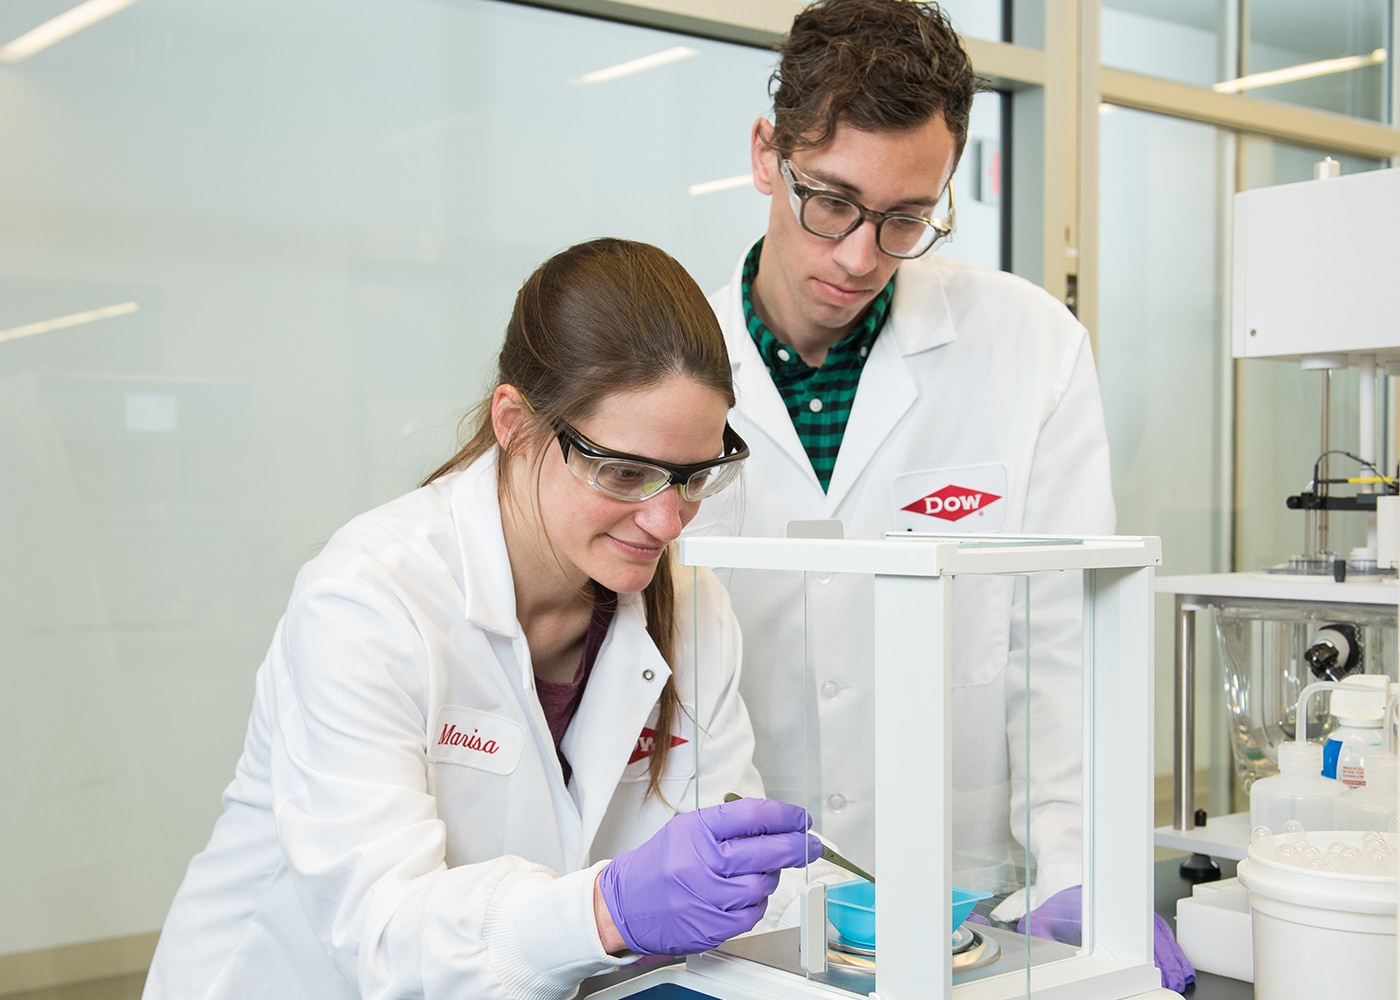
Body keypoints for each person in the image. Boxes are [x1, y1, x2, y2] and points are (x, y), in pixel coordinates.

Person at [141, 238, 822, 1000]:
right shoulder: (368, 601)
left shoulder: (695, 613)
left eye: (694, 477)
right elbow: (385, 933)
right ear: (515, 424)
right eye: (625, 473)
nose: (666, 521)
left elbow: (731, 882)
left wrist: (773, 888)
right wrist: (607, 911)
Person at [692, 0, 1192, 990]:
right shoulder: (668, 370)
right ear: (765, 154)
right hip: (739, 910)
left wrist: (1080, 871)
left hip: (973, 911)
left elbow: (1064, 641)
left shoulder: (1028, 348)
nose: (857, 255)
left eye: (905, 219)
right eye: (829, 201)